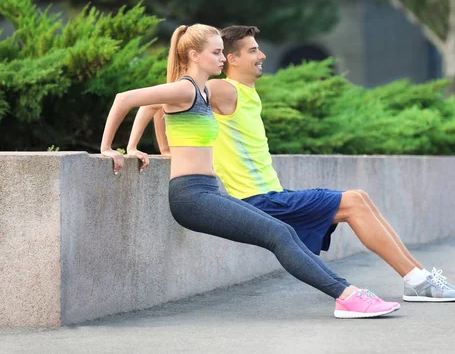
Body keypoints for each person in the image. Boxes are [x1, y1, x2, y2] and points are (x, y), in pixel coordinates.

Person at [129, 26, 455, 303]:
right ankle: (418, 282)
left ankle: (419, 277)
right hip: (255, 202)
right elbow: (162, 100)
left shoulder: (246, 93)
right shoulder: (222, 88)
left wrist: (168, 145)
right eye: (252, 51)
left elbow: (165, 106)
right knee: (352, 201)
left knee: (359, 199)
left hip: (273, 195)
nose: (261, 55)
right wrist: (163, 148)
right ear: (230, 59)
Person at [101, 24, 400, 319]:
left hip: (207, 191)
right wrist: (110, 147)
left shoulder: (201, 92)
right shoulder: (185, 89)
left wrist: (146, 147)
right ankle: (347, 296)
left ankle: (349, 295)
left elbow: (152, 107)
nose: (222, 58)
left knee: (283, 231)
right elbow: (125, 99)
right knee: (278, 234)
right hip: (190, 197)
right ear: (194, 55)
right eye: (216, 52)